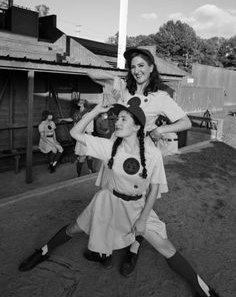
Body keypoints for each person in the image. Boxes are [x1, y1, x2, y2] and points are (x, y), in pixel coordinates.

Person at [18, 98, 220, 297]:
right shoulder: (109, 147)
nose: (118, 122)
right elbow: (74, 133)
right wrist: (97, 110)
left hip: (137, 208)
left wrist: (142, 219)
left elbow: (154, 189)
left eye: (124, 119)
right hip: (108, 203)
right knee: (74, 228)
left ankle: (203, 289)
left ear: (136, 127)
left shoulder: (152, 153)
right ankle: (43, 251)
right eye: (118, 118)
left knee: (165, 247)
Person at [87, 47, 192, 274]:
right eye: (133, 67)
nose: (136, 70)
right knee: (111, 196)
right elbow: (91, 74)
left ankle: (133, 249)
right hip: (117, 151)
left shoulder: (160, 97)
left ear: (152, 67)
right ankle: (104, 248)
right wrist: (113, 81)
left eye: (141, 65)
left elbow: (185, 123)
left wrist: (161, 130)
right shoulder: (124, 89)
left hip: (141, 156)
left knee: (140, 203)